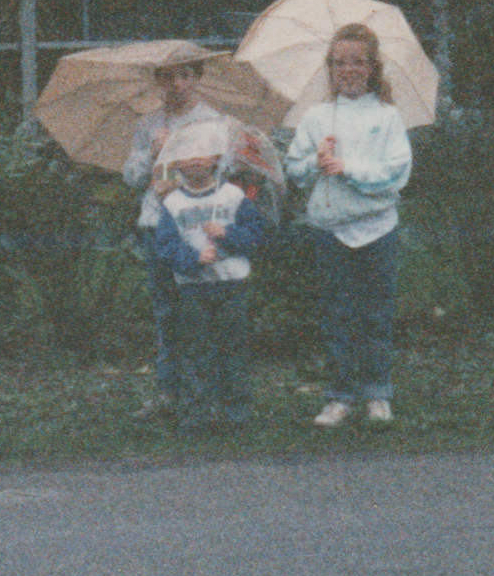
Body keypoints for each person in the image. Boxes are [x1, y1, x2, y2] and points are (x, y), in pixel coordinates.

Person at [285, 23, 412, 428]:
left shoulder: (388, 116)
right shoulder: (317, 117)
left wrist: (347, 168)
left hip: (377, 231)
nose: (348, 69)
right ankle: (340, 396)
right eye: (340, 63)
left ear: (372, 67)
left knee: (375, 314)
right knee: (338, 314)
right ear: (330, 68)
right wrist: (315, 160)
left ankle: (377, 393)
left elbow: (397, 173)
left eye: (357, 61)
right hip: (330, 232)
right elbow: (295, 171)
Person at [121, 53, 224, 420]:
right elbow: (131, 178)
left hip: (195, 228)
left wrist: (179, 186)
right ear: (158, 82)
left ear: (196, 77)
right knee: (166, 313)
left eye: (184, 75)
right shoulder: (150, 124)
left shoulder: (211, 122)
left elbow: (222, 178)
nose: (176, 84)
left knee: (198, 311)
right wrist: (152, 153)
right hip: (157, 227)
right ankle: (168, 393)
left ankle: (203, 394)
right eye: (167, 78)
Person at [153, 120, 266, 432]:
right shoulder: (173, 203)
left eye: (203, 151)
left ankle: (236, 413)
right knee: (196, 350)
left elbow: (256, 234)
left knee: (233, 348)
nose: (196, 158)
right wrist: (193, 258)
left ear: (217, 157)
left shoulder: (232, 196)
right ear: (175, 162)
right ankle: (198, 412)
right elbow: (166, 245)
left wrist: (227, 234)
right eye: (187, 153)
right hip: (193, 289)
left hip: (231, 285)